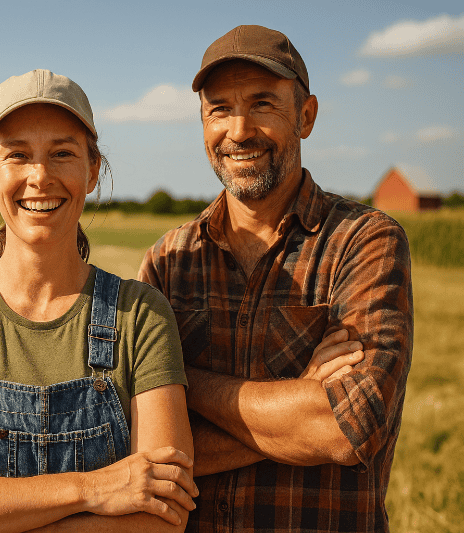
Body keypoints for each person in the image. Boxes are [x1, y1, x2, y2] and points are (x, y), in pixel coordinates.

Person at [0, 69, 199, 532]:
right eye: (17, 155)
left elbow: (161, 518)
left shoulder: (142, 315)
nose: (40, 176)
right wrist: (95, 489)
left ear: (92, 170)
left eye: (62, 153)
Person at [138, 25, 413, 532]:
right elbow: (143, 456)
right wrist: (297, 397)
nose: (238, 130)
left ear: (305, 116)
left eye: (263, 104)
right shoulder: (167, 262)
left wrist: (181, 383)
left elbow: (344, 429)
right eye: (220, 109)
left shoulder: (365, 242)